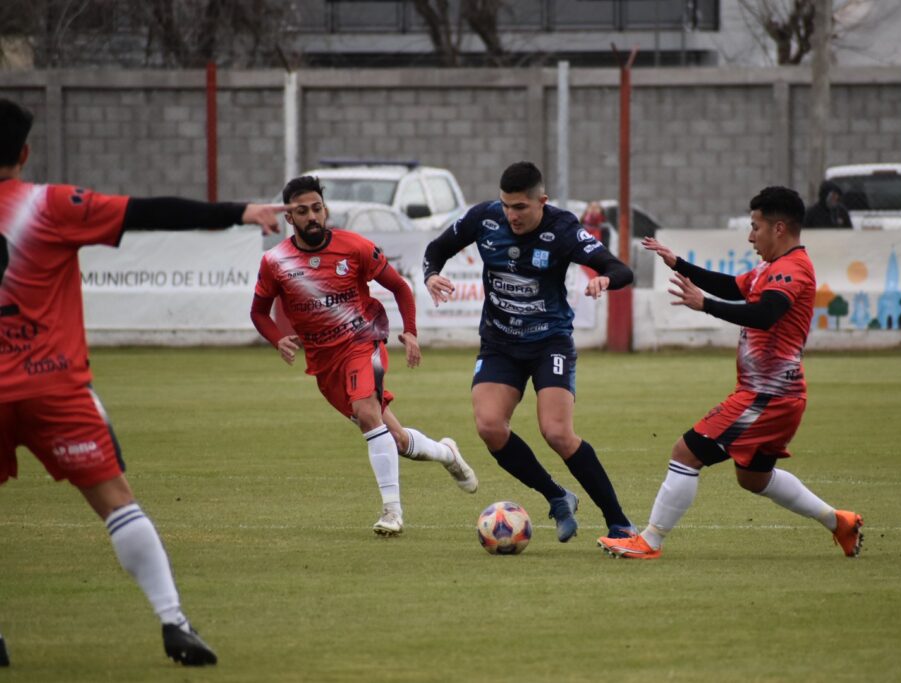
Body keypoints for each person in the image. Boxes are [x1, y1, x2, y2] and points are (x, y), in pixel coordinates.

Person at [0, 98, 289, 666]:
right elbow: (147, 211)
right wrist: (240, 211)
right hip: (53, 384)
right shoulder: (48, 204)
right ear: (25, 152)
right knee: (116, 503)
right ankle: (172, 621)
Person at [597, 186, 863, 560]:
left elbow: (765, 314)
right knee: (752, 478)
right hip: (776, 396)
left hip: (766, 397)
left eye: (756, 227)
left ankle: (649, 541)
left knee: (685, 453)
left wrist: (703, 305)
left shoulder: (793, 269)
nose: (750, 235)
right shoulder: (771, 267)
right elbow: (733, 286)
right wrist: (678, 263)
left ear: (779, 228)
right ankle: (840, 522)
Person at [249, 175, 477, 538]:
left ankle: (392, 512)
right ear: (290, 218)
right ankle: (447, 453)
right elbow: (259, 312)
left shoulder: (354, 247)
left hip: (362, 342)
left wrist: (411, 332)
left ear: (326, 209)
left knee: (367, 413)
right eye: (302, 211)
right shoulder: (275, 262)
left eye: (317, 208)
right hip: (324, 364)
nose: (312, 216)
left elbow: (400, 287)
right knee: (396, 440)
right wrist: (277, 339)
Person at [423, 161, 635, 543]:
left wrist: (604, 277)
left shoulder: (564, 229)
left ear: (542, 201)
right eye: (506, 205)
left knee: (556, 432)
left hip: (549, 341)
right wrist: (431, 275)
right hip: (500, 342)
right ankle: (556, 497)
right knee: (489, 426)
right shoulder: (484, 219)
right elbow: (436, 249)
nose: (511, 215)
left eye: (520, 207)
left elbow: (620, 269)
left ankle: (619, 522)